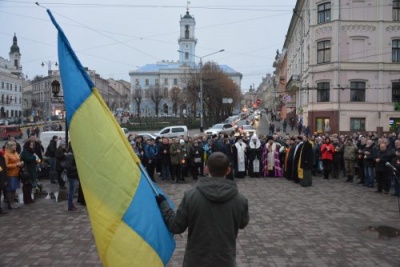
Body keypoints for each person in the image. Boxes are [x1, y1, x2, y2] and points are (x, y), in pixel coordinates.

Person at [156, 152, 249, 267]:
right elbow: (243, 223)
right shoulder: (240, 200)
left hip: (195, 260)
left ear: (206, 169)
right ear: (228, 170)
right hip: (225, 260)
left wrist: (163, 204)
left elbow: (176, 226)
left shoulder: (190, 196)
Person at [4, 141, 24, 209]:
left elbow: (17, 160)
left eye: (15, 145)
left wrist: (21, 163)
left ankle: (13, 203)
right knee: (10, 189)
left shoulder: (15, 153)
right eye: (14, 146)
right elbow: (5, 165)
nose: (15, 147)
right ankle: (9, 204)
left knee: (14, 189)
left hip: (17, 173)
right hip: (10, 174)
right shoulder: (6, 154)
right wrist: (16, 165)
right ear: (10, 147)